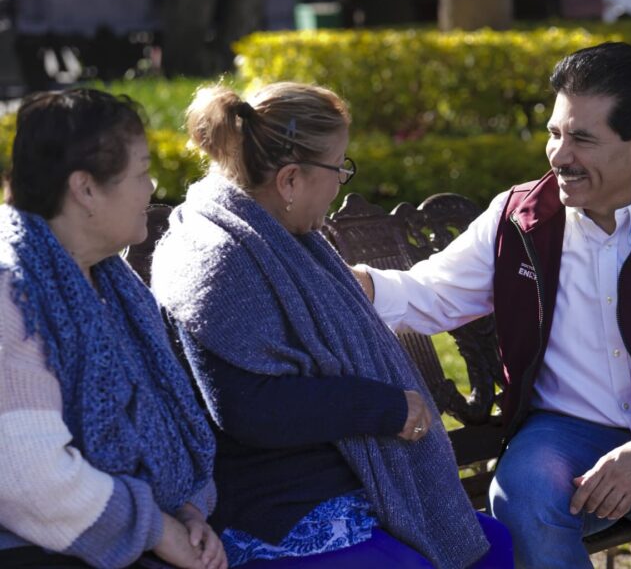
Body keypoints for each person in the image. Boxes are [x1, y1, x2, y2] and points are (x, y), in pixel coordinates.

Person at [351, 41, 631, 568]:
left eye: (582, 139)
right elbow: (430, 293)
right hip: (566, 442)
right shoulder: (518, 218)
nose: (559, 156)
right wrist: (341, 282)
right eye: (555, 134)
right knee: (522, 492)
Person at [149, 82, 512, 568]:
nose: (342, 180)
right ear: (290, 181)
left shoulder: (268, 231)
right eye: (338, 167)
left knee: (493, 545)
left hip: (329, 477)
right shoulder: (217, 260)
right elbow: (249, 409)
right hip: (273, 507)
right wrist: (385, 408)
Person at [0, 89, 226, 569]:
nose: (151, 188)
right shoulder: (13, 290)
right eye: (141, 173)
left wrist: (187, 512)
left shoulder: (111, 280)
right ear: (85, 189)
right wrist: (154, 528)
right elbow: (27, 477)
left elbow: (168, 428)